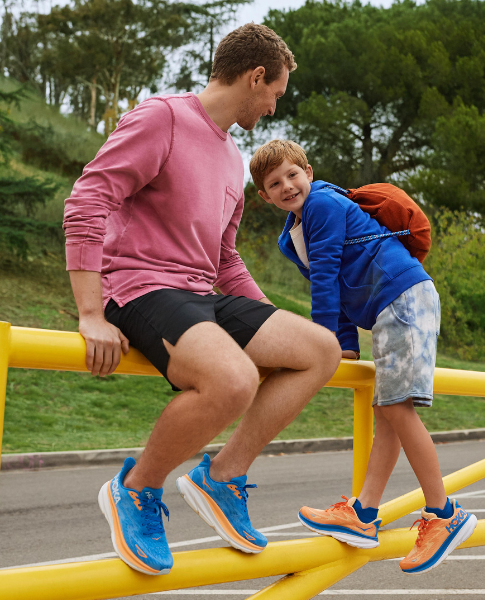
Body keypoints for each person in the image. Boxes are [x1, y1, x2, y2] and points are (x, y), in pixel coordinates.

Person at [63, 26, 341, 576]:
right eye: (275, 94)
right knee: (234, 378)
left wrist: (270, 322)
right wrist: (91, 312)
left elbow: (224, 259)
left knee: (319, 348)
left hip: (198, 294)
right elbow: (87, 201)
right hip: (139, 286)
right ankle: (137, 489)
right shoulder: (161, 117)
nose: (272, 106)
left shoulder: (233, 158)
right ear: (256, 76)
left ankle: (222, 477)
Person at [249, 139, 477, 575]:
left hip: (402, 296)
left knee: (396, 408)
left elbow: (328, 275)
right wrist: (345, 341)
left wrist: (327, 342)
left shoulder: (322, 205)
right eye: (274, 183)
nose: (287, 186)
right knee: (388, 412)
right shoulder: (291, 234)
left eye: (293, 175)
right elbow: (331, 276)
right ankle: (364, 513)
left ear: (309, 173)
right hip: (389, 305)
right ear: (264, 195)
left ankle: (445, 514)